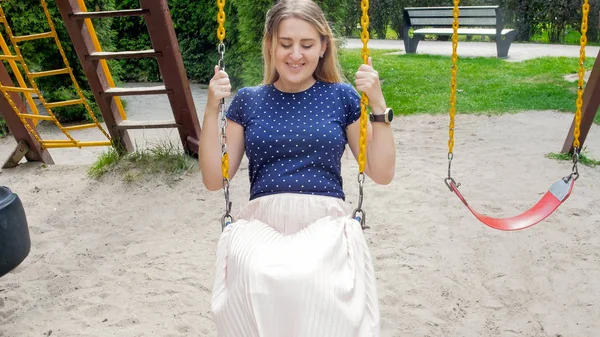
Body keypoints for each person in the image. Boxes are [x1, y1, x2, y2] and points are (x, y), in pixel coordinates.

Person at [199, 0, 395, 335]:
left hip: (325, 222)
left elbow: (380, 172)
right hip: (261, 222)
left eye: (306, 44)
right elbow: (215, 179)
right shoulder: (248, 100)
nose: (295, 55)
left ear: (322, 47)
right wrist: (211, 108)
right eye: (285, 44)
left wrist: (377, 105)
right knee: (255, 274)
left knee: (311, 275)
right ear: (271, 46)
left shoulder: (342, 97)